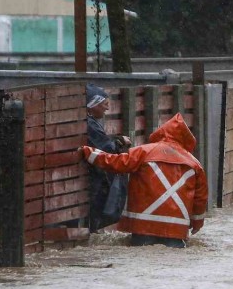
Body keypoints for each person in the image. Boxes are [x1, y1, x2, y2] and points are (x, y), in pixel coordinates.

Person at [78, 112, 208, 248]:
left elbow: (115, 163)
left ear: (161, 132)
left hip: (142, 225)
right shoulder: (194, 164)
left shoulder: (144, 152)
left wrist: (89, 152)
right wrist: (197, 223)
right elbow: (200, 198)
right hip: (176, 229)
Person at [85, 84, 132, 233]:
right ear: (93, 104)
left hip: (92, 181)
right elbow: (106, 148)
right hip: (94, 182)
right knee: (97, 215)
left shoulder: (90, 122)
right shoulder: (90, 124)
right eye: (104, 105)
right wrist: (119, 142)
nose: (107, 109)